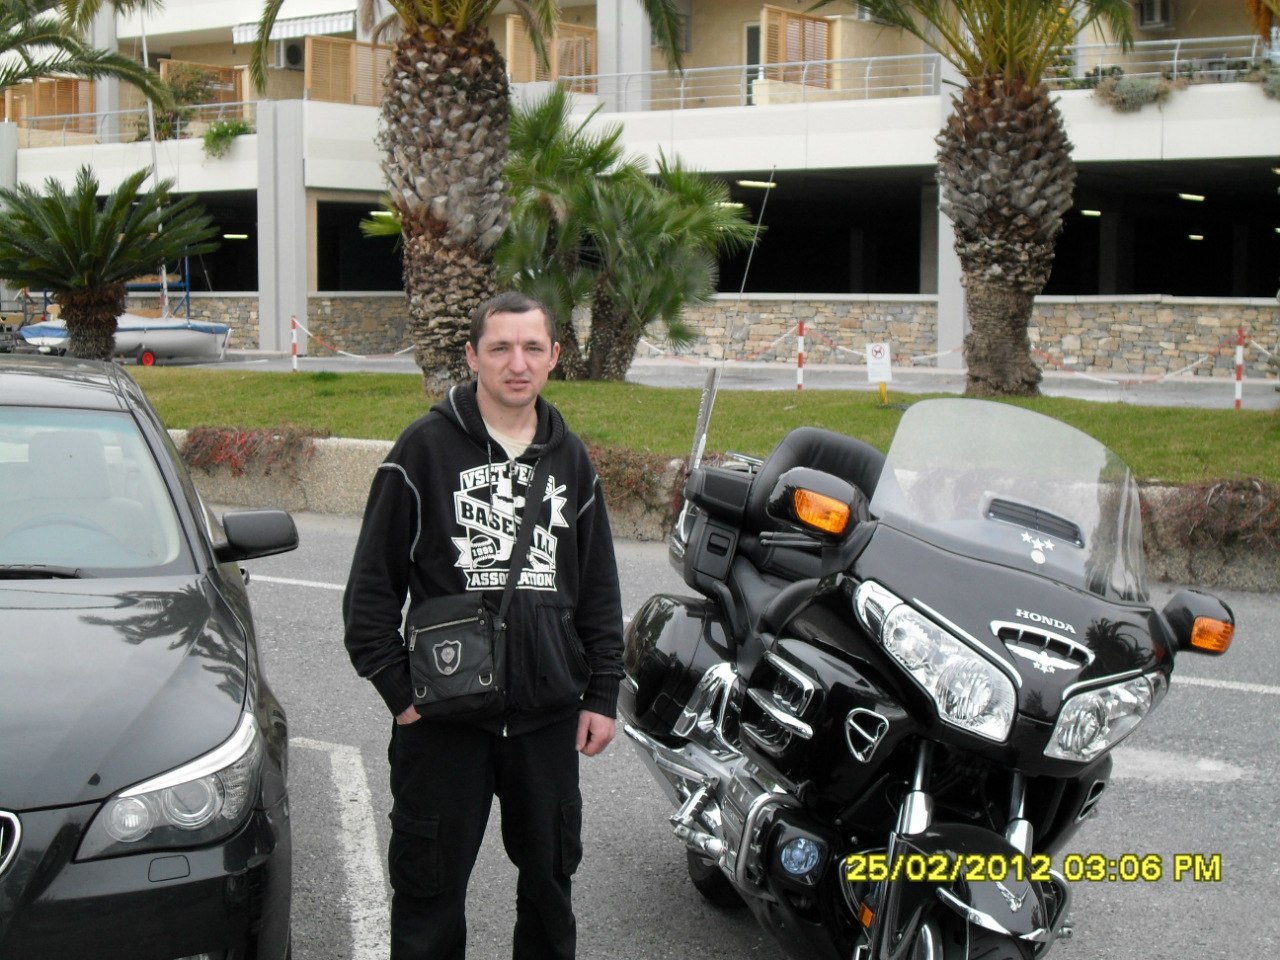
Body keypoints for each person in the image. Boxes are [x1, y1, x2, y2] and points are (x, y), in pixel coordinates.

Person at [342, 291, 624, 960]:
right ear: (472, 357)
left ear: (554, 356)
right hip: (444, 725)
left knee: (550, 892)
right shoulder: (423, 450)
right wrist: (402, 697)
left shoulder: (570, 458)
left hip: (546, 722)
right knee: (428, 902)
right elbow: (370, 595)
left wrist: (602, 693)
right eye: (500, 348)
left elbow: (598, 588)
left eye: (532, 348)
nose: (516, 364)